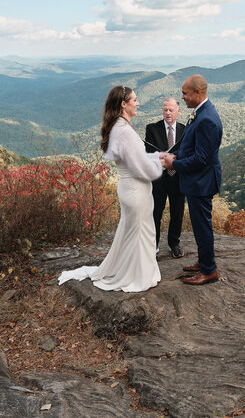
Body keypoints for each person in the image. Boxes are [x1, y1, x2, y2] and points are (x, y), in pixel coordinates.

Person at [58, 85, 163, 293]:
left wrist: (155, 157)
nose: (138, 103)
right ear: (124, 104)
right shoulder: (124, 131)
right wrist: (162, 163)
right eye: (135, 100)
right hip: (135, 189)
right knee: (140, 232)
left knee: (135, 231)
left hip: (130, 187)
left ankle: (135, 271)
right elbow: (140, 167)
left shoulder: (118, 126)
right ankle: (136, 277)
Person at [162, 75, 223, 285]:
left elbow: (201, 158)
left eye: (185, 94)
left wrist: (174, 164)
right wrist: (174, 156)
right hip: (197, 180)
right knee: (199, 225)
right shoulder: (200, 113)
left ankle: (209, 270)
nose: (183, 98)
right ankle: (204, 261)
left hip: (202, 182)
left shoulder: (207, 119)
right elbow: (193, 148)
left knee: (202, 226)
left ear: (198, 93)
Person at [145, 98, 186, 258]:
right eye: (165, 110)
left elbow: (188, 152)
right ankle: (153, 245)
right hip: (159, 179)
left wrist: (172, 161)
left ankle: (174, 244)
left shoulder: (185, 130)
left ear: (178, 111)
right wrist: (168, 159)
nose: (167, 113)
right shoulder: (152, 129)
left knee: (177, 212)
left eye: (170, 110)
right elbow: (149, 152)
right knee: (155, 212)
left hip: (177, 178)